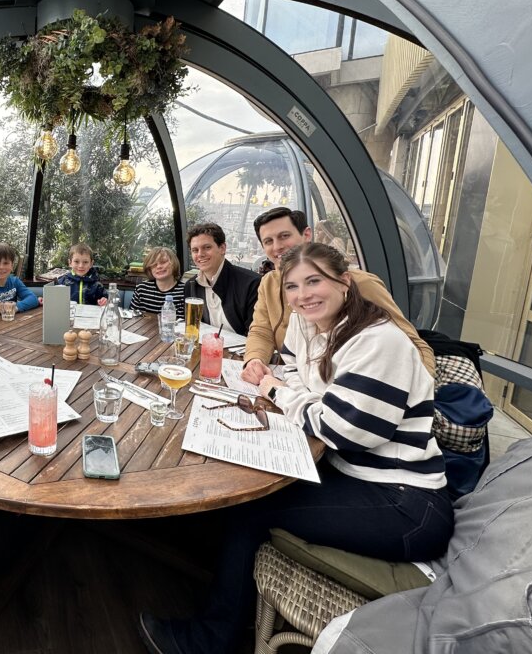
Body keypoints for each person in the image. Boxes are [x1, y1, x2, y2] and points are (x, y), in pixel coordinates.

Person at [139, 242, 452, 654]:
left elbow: (343, 430)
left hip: (405, 503)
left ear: (344, 281)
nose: (303, 295)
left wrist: (275, 389)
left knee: (251, 508)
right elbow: (298, 378)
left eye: (314, 281)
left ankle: (210, 640)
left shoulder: (379, 341)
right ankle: (221, 583)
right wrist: (287, 387)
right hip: (360, 475)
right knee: (241, 475)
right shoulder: (317, 328)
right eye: (292, 287)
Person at [242, 207, 435, 384]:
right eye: (268, 241)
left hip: (356, 392)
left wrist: (417, 391)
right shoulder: (269, 283)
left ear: (307, 235)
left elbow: (410, 343)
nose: (277, 247)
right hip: (302, 384)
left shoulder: (360, 283)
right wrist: (255, 360)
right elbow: (261, 330)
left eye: (284, 236)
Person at [181, 222, 260, 335]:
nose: (200, 254)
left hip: (243, 350)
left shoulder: (252, 284)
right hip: (208, 347)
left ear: (222, 248)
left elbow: (256, 334)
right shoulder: (191, 286)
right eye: (195, 250)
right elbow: (194, 328)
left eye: (207, 247)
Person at [129, 246, 185, 316]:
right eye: (154, 264)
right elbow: (132, 317)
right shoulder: (141, 289)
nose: (158, 267)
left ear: (174, 264)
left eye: (163, 262)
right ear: (149, 269)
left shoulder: (185, 291)